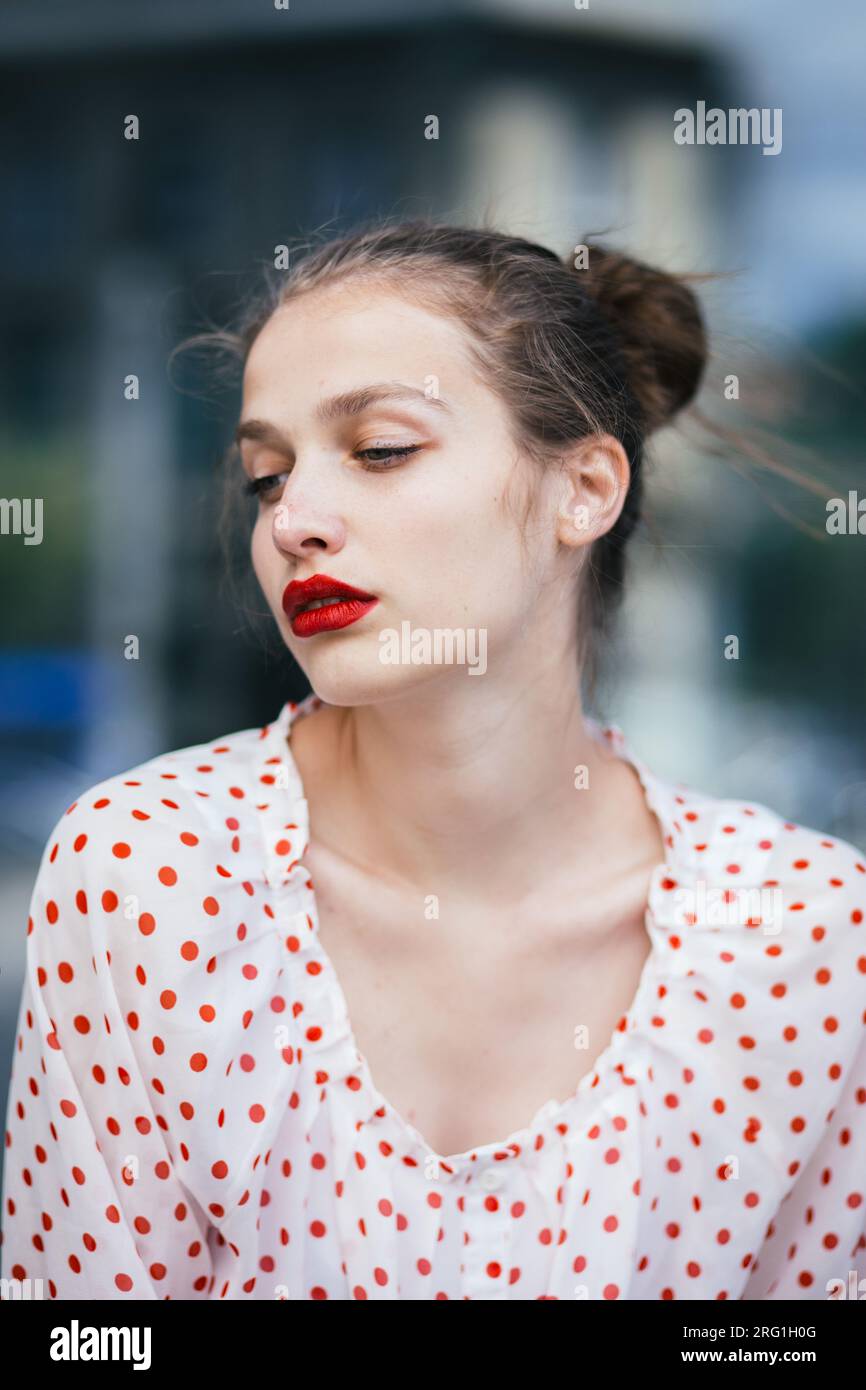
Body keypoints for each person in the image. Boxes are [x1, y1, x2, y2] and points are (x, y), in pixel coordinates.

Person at [2, 221, 864, 1302]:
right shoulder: (149, 875)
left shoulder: (808, 937)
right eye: (265, 477)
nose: (294, 524)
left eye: (379, 449)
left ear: (583, 488)